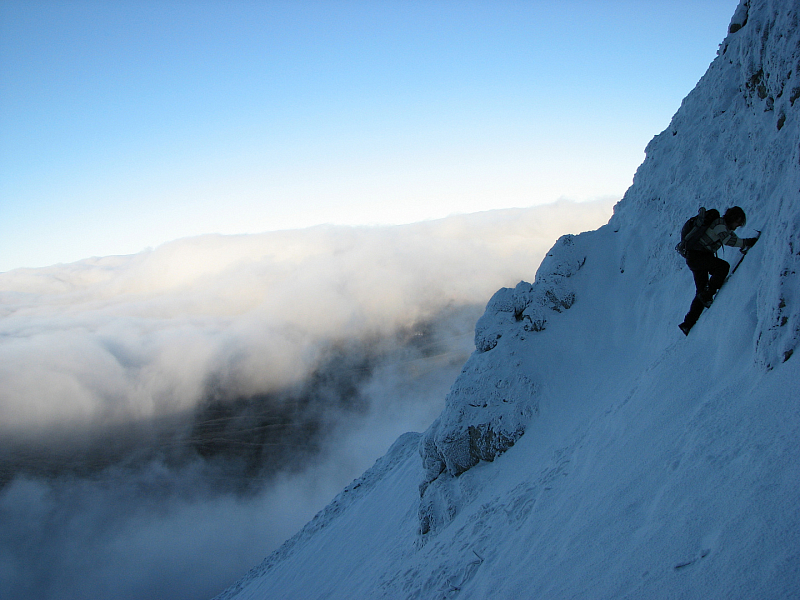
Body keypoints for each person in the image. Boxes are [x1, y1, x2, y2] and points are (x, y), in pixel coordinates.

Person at [679, 206, 758, 335]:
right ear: (733, 218)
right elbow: (729, 240)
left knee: (701, 289)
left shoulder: (722, 226)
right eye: (737, 223)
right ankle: (708, 294)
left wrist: (743, 244)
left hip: (694, 257)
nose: (736, 226)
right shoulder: (720, 224)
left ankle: (688, 324)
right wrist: (747, 242)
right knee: (722, 267)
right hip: (699, 256)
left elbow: (731, 237)